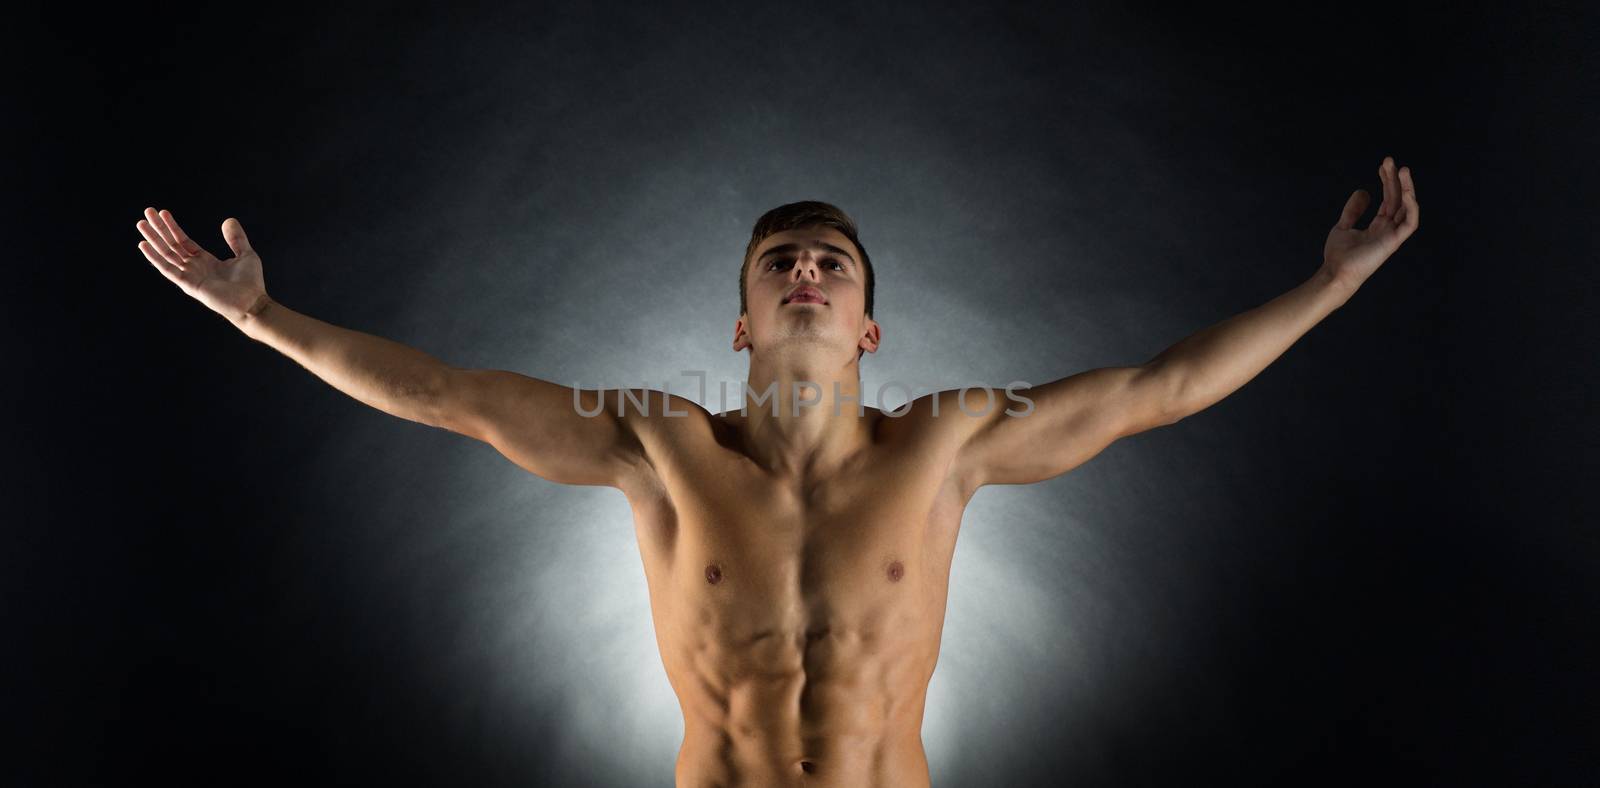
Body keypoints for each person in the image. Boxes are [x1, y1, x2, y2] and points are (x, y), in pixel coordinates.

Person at [134, 157, 1418, 787]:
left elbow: (1161, 387)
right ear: (741, 323)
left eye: (832, 265)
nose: (806, 271)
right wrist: (261, 318)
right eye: (780, 264)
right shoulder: (657, 441)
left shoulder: (947, 439)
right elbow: (443, 393)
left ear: (867, 330)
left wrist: (1330, 283)